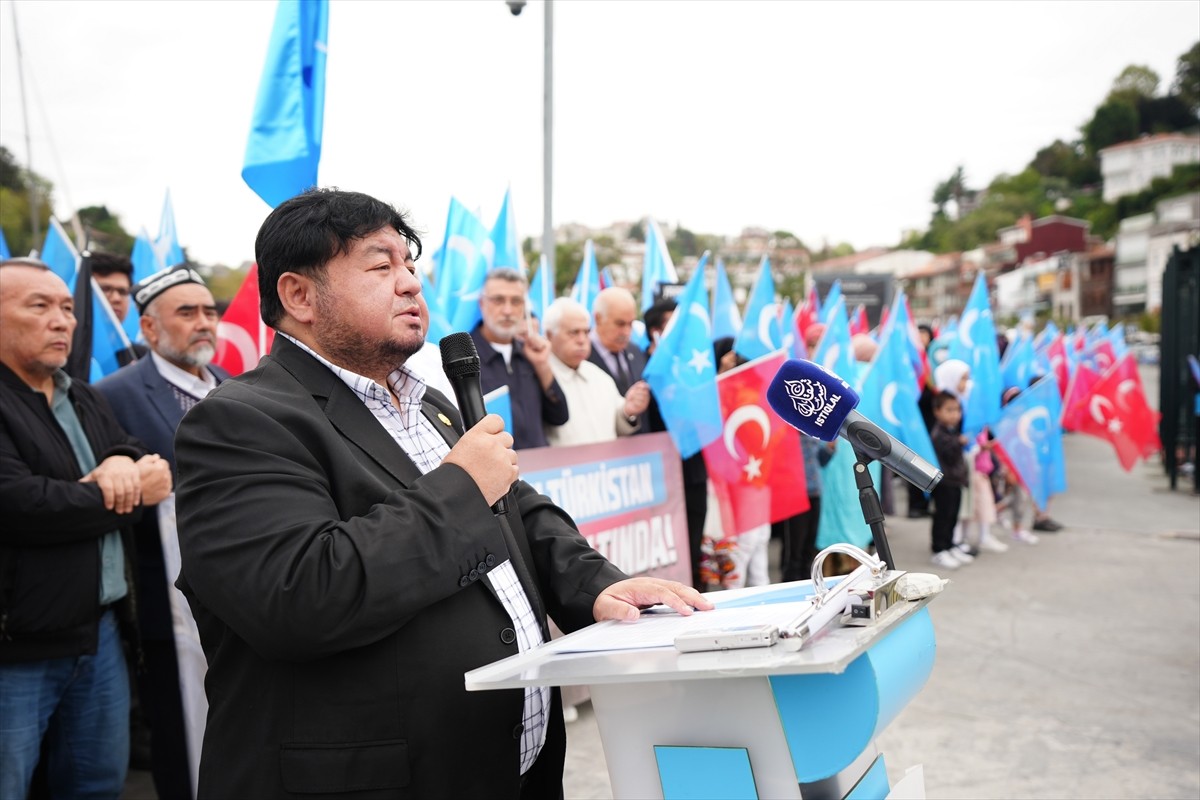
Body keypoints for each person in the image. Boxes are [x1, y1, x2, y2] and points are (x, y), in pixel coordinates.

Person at [171, 189, 710, 799]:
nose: (409, 285)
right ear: (299, 296)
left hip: (507, 768)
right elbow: (300, 593)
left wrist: (593, 586)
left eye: (410, 265)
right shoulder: (240, 423)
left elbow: (519, 511)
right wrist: (460, 486)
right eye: (381, 266)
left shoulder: (427, 400)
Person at [0, 257, 172, 799]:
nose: (64, 321)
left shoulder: (80, 393)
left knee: (96, 784)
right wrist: (120, 493)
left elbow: (144, 461)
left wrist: (121, 459)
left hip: (100, 636)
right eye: (40, 306)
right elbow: (21, 505)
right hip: (18, 648)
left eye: (69, 309)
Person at [95, 264, 230, 800]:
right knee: (183, 741)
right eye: (187, 313)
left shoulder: (233, 389)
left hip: (240, 597)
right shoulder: (113, 396)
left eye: (209, 312)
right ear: (149, 329)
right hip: (166, 605)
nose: (204, 323)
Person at [643, 298, 709, 590]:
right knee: (670, 554)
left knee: (694, 547)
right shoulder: (644, 368)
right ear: (656, 332)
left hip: (693, 471)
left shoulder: (692, 370)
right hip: (660, 479)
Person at [470, 267, 568, 449]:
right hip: (496, 473)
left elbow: (559, 416)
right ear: (482, 304)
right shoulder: (465, 359)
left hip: (541, 471)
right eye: (498, 300)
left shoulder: (530, 353)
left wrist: (542, 366)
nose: (507, 310)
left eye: (516, 301)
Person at [542, 298, 649, 447]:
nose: (582, 340)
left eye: (586, 332)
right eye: (574, 333)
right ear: (549, 335)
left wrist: (628, 411)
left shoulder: (599, 376)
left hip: (605, 468)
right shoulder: (540, 377)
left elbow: (619, 422)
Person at [929, 391, 969, 571]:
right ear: (937, 411)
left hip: (955, 480)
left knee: (953, 515)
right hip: (944, 482)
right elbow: (947, 453)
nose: (955, 414)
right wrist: (958, 442)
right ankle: (939, 549)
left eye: (957, 409)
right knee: (943, 515)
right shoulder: (939, 432)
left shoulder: (953, 430)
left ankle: (950, 544)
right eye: (949, 410)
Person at [587, 287, 647, 396]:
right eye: (620, 324)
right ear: (598, 318)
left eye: (630, 324)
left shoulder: (635, 352)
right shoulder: (581, 356)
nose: (626, 332)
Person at [91, 252, 149, 364]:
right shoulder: (62, 349)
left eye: (123, 292)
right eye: (105, 289)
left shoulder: (142, 358)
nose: (116, 298)